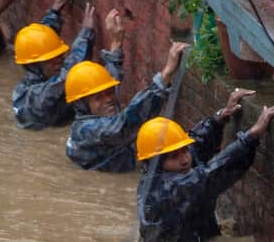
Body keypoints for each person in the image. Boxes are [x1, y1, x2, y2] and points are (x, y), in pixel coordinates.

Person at [134, 92, 274, 242]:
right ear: (154, 163)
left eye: (184, 150)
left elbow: (197, 145)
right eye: (174, 156)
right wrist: (251, 136)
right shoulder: (165, 189)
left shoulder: (173, 166)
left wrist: (219, 118)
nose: (185, 159)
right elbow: (210, 175)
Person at [64, 41, 189, 172]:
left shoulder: (101, 111)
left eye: (109, 92)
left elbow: (111, 78)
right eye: (98, 97)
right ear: (81, 104)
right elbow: (124, 124)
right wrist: (166, 75)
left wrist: (115, 45)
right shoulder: (84, 130)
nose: (109, 99)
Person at [10, 0, 98, 129]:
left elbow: (41, 40)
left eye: (60, 56)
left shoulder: (37, 70)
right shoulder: (39, 95)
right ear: (34, 66)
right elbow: (68, 74)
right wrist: (86, 33)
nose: (60, 61)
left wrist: (56, 9)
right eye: (52, 60)